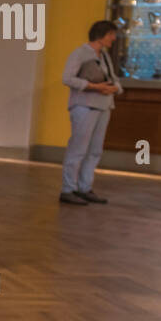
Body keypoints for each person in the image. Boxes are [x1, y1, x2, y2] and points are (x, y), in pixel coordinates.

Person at [60, 20, 123, 205]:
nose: (113, 38)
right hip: (85, 106)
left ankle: (84, 187)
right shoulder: (80, 53)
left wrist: (115, 88)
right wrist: (94, 87)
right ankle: (67, 189)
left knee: (95, 150)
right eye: (111, 34)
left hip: (104, 106)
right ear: (101, 35)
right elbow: (67, 78)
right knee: (78, 149)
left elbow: (113, 79)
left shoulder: (104, 56)